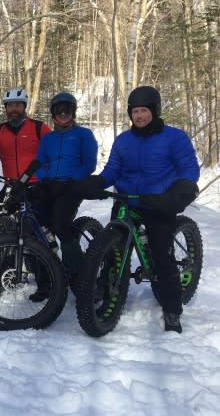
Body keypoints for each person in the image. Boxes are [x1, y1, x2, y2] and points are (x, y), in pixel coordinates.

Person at [76, 86, 199, 333]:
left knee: (161, 255)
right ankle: (108, 288)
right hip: (126, 201)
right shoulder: (124, 141)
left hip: (159, 202)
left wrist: (181, 190)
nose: (139, 116)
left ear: (154, 111)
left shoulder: (174, 138)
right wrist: (98, 182)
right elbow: (112, 170)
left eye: (144, 111)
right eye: (135, 112)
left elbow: (188, 169)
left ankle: (173, 308)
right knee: (111, 250)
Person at [27, 92, 98, 302]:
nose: (64, 113)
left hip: (71, 187)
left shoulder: (84, 135)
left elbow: (89, 163)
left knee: (60, 224)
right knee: (34, 225)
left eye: (68, 109)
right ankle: (45, 281)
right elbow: (39, 161)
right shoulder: (48, 138)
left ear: (73, 112)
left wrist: (71, 180)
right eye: (59, 109)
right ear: (53, 114)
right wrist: (44, 178)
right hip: (49, 185)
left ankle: (80, 280)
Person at [0, 88, 50, 225]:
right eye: (10, 106)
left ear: (24, 107)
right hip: (11, 184)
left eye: (17, 105)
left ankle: (43, 245)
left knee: (37, 222)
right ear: (6, 109)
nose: (13, 109)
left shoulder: (38, 127)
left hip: (35, 184)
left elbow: (53, 151)